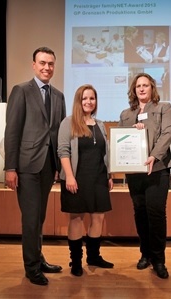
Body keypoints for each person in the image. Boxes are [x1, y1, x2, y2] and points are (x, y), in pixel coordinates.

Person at [4, 46, 66, 286]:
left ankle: (39, 259)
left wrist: (61, 164)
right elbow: (12, 132)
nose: (46, 68)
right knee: (30, 219)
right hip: (26, 166)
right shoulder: (21, 91)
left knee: (39, 218)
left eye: (50, 64)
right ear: (33, 65)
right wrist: (10, 168)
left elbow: (59, 134)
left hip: (49, 166)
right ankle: (31, 268)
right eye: (42, 63)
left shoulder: (58, 95)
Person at [118, 73, 171, 279]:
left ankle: (159, 259)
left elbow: (168, 133)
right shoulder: (126, 113)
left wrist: (153, 156)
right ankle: (145, 254)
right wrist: (132, 133)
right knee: (140, 213)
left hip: (157, 169)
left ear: (152, 88)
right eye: (138, 86)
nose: (142, 89)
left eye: (146, 85)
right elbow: (121, 141)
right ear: (134, 90)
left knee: (156, 214)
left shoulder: (164, 108)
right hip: (135, 173)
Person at [58, 84, 115, 277]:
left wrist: (108, 175)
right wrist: (70, 177)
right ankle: (76, 261)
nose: (89, 102)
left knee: (98, 217)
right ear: (78, 101)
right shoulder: (68, 122)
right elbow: (63, 151)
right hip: (77, 179)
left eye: (92, 98)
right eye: (84, 99)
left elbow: (104, 153)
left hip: (98, 177)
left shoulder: (99, 124)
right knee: (76, 219)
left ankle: (93, 257)